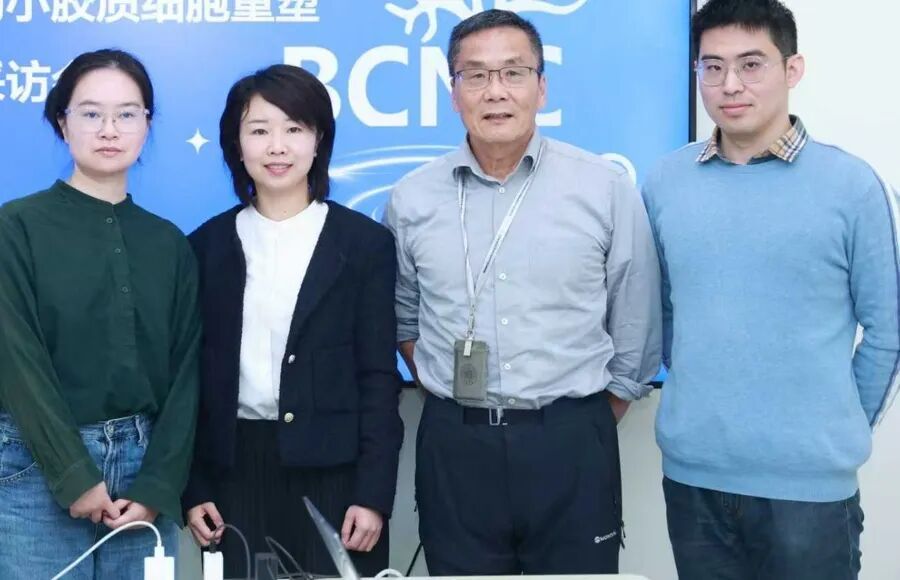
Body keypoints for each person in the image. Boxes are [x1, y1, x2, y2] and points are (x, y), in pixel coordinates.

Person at [383, 9, 662, 575]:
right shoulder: (412, 197)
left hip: (571, 439)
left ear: (542, 87)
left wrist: (583, 419)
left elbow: (636, 316)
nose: (496, 91)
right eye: (476, 75)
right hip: (455, 444)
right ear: (453, 91)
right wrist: (451, 390)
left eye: (513, 72)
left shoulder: (603, 187)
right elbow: (404, 318)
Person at [641, 1, 899, 578]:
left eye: (751, 64)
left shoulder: (853, 185)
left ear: (792, 69)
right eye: (712, 67)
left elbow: (889, 329)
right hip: (693, 477)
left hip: (810, 490)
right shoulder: (665, 181)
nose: (730, 84)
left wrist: (833, 428)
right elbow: (665, 312)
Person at [183, 64, 403, 578]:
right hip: (234, 474)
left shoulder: (364, 245)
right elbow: (187, 380)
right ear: (236, 144)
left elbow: (378, 377)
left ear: (318, 139)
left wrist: (373, 495)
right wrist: (193, 489)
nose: (277, 147)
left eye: (294, 129)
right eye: (259, 130)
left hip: (337, 477)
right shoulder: (204, 246)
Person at [0, 49, 199, 579]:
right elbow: (16, 362)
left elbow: (186, 377)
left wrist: (157, 485)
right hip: (34, 468)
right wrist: (73, 473)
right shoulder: (15, 227)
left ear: (147, 125)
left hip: (141, 473)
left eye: (127, 114)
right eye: (91, 113)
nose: (109, 129)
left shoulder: (169, 243)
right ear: (62, 122)